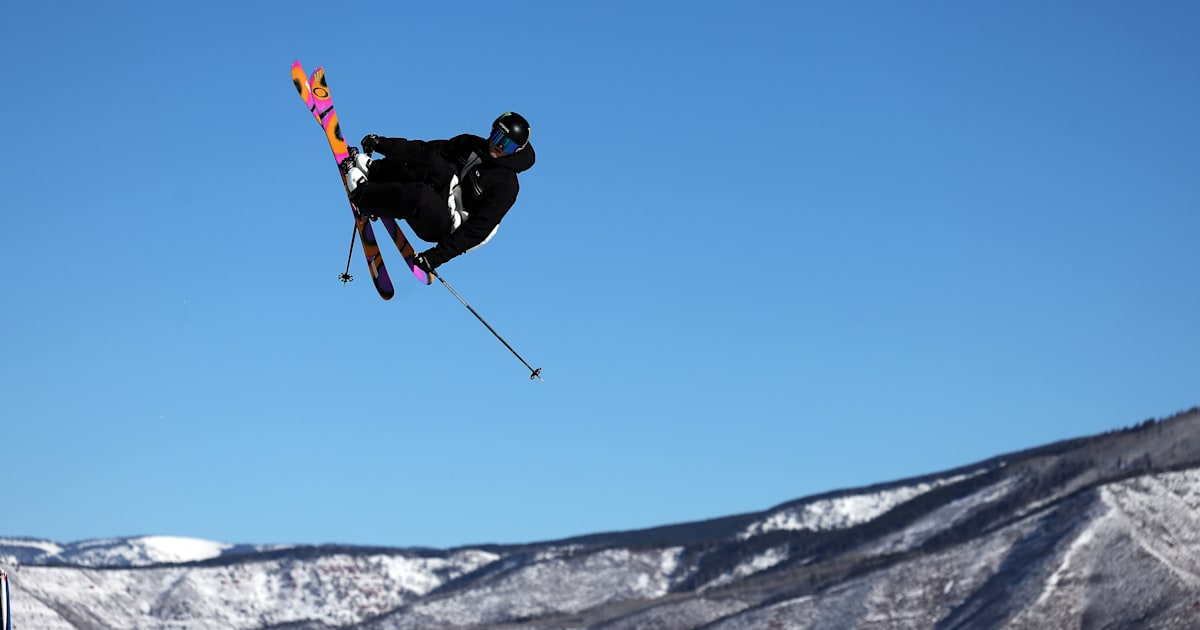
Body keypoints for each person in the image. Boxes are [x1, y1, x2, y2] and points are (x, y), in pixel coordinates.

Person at [340, 112, 535, 273]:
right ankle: (374, 171)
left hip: (445, 226)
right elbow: (425, 149)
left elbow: (478, 230)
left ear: (517, 150)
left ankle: (363, 196)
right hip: (445, 193)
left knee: (421, 195)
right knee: (432, 161)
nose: (499, 146)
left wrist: (435, 257)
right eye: (498, 137)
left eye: (507, 145)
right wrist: (383, 144)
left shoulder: (506, 185)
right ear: (491, 131)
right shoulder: (470, 144)